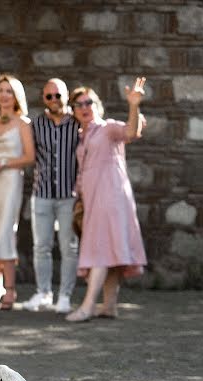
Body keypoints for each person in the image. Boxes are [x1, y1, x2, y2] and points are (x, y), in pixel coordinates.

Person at [66, 80, 148, 322]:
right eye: (79, 104)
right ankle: (109, 305)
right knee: (110, 250)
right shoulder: (82, 137)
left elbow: (131, 132)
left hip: (111, 197)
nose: (84, 107)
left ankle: (88, 306)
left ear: (98, 105)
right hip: (94, 200)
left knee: (100, 249)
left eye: (89, 102)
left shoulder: (107, 128)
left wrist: (134, 105)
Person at [23, 78, 80, 314]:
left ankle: (65, 295)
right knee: (41, 246)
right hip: (43, 192)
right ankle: (43, 292)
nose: (54, 100)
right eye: (49, 96)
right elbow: (29, 156)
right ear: (43, 99)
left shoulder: (79, 122)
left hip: (70, 194)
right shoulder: (36, 125)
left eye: (58, 95)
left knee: (69, 247)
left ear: (66, 95)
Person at [0, 74, 35, 310]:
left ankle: (10, 290)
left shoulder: (23, 124)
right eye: (1, 90)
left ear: (16, 96)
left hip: (11, 181)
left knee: (5, 233)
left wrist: (4, 163)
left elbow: (29, 157)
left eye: (9, 91)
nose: (4, 95)